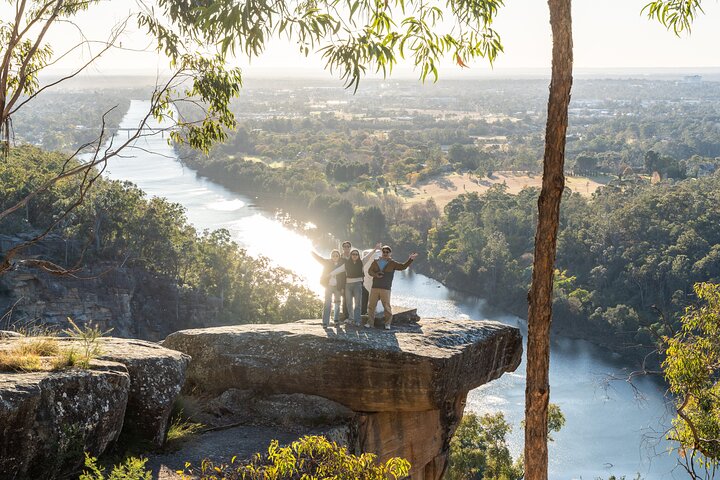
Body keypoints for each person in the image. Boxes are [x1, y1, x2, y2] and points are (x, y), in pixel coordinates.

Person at [366, 246, 418, 330]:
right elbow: (369, 271)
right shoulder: (375, 262)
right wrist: (376, 274)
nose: (385, 253)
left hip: (386, 288)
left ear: (390, 254)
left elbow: (403, 267)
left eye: (387, 252)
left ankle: (387, 324)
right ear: (382, 253)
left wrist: (410, 259)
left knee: (386, 307)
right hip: (375, 287)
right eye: (384, 252)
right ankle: (370, 323)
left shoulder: (392, 263)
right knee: (371, 306)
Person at [344, 243, 381, 326]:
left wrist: (375, 249)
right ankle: (350, 318)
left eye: (356, 254)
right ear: (351, 255)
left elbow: (368, 257)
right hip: (348, 285)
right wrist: (330, 274)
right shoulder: (346, 264)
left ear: (358, 256)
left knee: (357, 304)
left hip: (357, 285)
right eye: (353, 254)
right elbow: (338, 270)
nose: (354, 255)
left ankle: (357, 320)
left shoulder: (361, 262)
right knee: (349, 303)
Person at [311, 249, 346, 327]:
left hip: (338, 287)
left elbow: (344, 278)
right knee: (327, 303)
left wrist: (343, 288)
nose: (335, 257)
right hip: (329, 286)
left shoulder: (342, 264)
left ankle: (336, 320)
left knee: (337, 303)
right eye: (333, 255)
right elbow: (319, 259)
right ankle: (325, 322)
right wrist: (312, 252)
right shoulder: (327, 263)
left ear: (339, 257)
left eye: (337, 255)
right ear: (331, 257)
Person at [339, 240, 353, 320]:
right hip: (343, 281)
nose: (346, 248)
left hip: (353, 281)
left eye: (348, 246)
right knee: (345, 299)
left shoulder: (353, 256)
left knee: (364, 294)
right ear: (343, 248)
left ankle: (360, 314)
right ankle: (345, 316)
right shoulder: (340, 258)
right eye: (345, 247)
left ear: (350, 248)